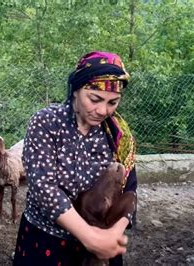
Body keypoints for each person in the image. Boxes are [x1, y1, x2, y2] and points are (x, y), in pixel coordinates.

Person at [13, 51, 137, 266]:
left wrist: (111, 236)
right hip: (48, 242)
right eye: (95, 99)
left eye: (113, 102)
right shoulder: (47, 122)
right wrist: (90, 237)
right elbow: (43, 187)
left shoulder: (118, 134)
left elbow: (130, 188)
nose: (102, 110)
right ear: (76, 91)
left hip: (102, 248)